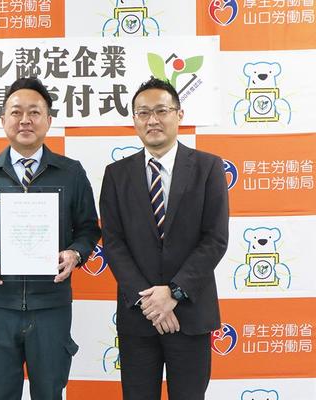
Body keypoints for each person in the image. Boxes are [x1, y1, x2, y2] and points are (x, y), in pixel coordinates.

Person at [0, 77, 101, 400]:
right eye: (16, 112)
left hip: (51, 305)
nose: (25, 120)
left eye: (34, 112)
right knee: (0, 393)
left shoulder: (71, 173)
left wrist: (75, 254)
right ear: (3, 119)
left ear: (48, 120)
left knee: (49, 393)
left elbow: (88, 228)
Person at [99, 77, 229, 400]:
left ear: (179, 114)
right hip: (138, 318)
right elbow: (113, 243)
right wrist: (150, 302)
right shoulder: (116, 175)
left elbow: (215, 239)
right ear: (134, 120)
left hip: (191, 315)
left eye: (161, 110)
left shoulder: (208, 168)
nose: (152, 120)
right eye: (143, 113)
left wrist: (174, 293)